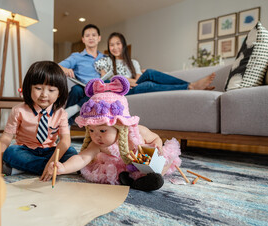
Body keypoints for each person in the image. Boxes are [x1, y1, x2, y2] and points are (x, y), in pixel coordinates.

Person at [47, 76, 181, 192]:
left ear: (119, 126)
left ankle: (153, 178)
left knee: (165, 159)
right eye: (91, 130)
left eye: (102, 130)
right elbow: (82, 158)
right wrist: (63, 168)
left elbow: (156, 138)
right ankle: (132, 181)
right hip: (119, 167)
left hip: (141, 161)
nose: (96, 136)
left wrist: (157, 146)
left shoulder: (137, 132)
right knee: (114, 173)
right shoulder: (97, 144)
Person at [0, 61, 78, 181]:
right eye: (38, 88)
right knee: (11, 152)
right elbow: (6, 137)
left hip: (50, 152)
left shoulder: (61, 113)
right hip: (26, 150)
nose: (44, 94)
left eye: (51, 90)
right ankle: (58, 169)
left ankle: (21, 169)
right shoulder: (18, 110)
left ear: (59, 93)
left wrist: (52, 161)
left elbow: (65, 141)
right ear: (29, 88)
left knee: (71, 152)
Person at [94, 32, 216, 95]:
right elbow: (104, 81)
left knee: (149, 72)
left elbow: (137, 80)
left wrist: (129, 80)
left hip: (134, 85)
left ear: (124, 45)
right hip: (123, 91)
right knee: (146, 85)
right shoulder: (106, 61)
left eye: (118, 44)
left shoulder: (133, 62)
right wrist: (126, 81)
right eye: (111, 45)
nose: (115, 47)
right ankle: (191, 86)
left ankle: (191, 86)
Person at [59, 24, 105, 125]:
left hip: (99, 89)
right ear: (83, 39)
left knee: (101, 90)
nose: (91, 38)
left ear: (99, 38)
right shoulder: (76, 56)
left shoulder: (105, 58)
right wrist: (65, 69)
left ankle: (74, 109)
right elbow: (58, 66)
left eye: (94, 35)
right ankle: (66, 124)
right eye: (87, 36)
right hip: (82, 88)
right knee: (76, 90)